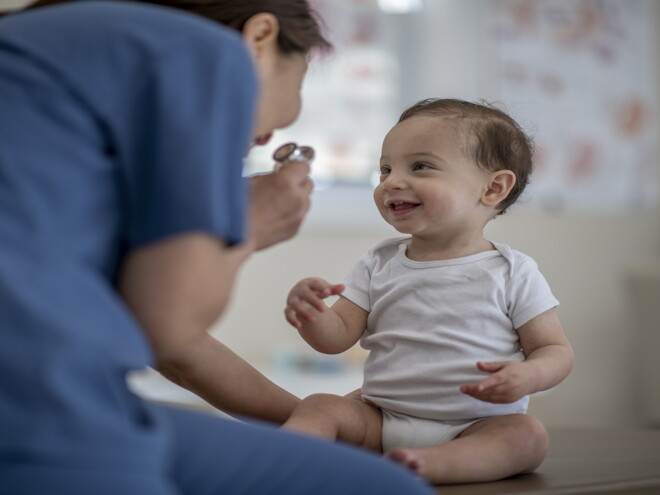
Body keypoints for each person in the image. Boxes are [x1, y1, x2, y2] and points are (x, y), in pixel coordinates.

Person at [0, 1, 435, 493]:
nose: (267, 137)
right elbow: (169, 327)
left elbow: (176, 349)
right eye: (288, 98)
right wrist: (250, 223)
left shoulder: (44, 72)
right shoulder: (203, 52)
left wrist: (329, 420)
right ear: (259, 39)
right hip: (38, 410)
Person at [282, 98, 575, 485]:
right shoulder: (379, 261)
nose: (391, 181)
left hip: (476, 423)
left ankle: (430, 465)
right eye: (385, 169)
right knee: (320, 406)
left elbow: (555, 350)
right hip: (381, 417)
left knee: (527, 437)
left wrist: (530, 375)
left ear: (493, 188)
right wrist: (313, 315)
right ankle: (280, 465)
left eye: (419, 166)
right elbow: (336, 338)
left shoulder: (512, 271)